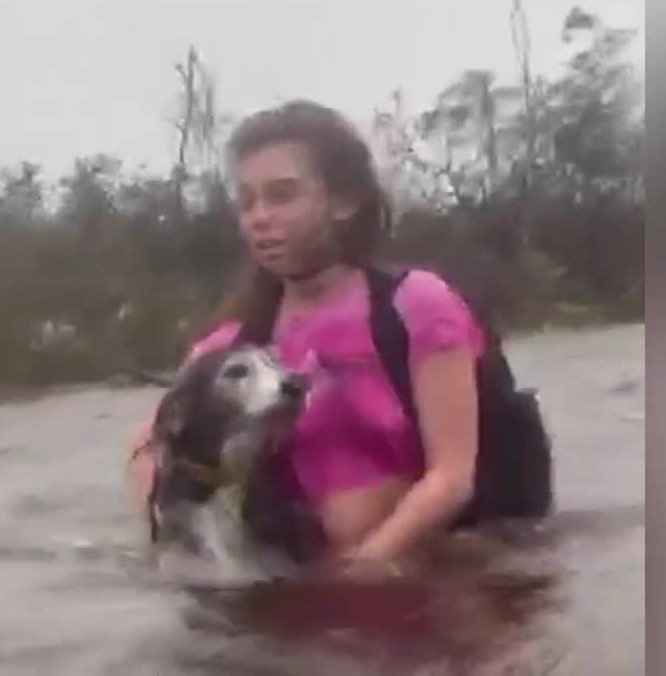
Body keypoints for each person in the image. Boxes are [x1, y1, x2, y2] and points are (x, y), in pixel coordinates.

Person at [126, 99, 486, 578]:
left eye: (282, 196)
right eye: (247, 201)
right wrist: (183, 537)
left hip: (410, 577)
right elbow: (148, 444)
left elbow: (452, 476)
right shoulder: (234, 341)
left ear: (344, 202)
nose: (259, 217)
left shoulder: (415, 306)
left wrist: (369, 563)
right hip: (292, 584)